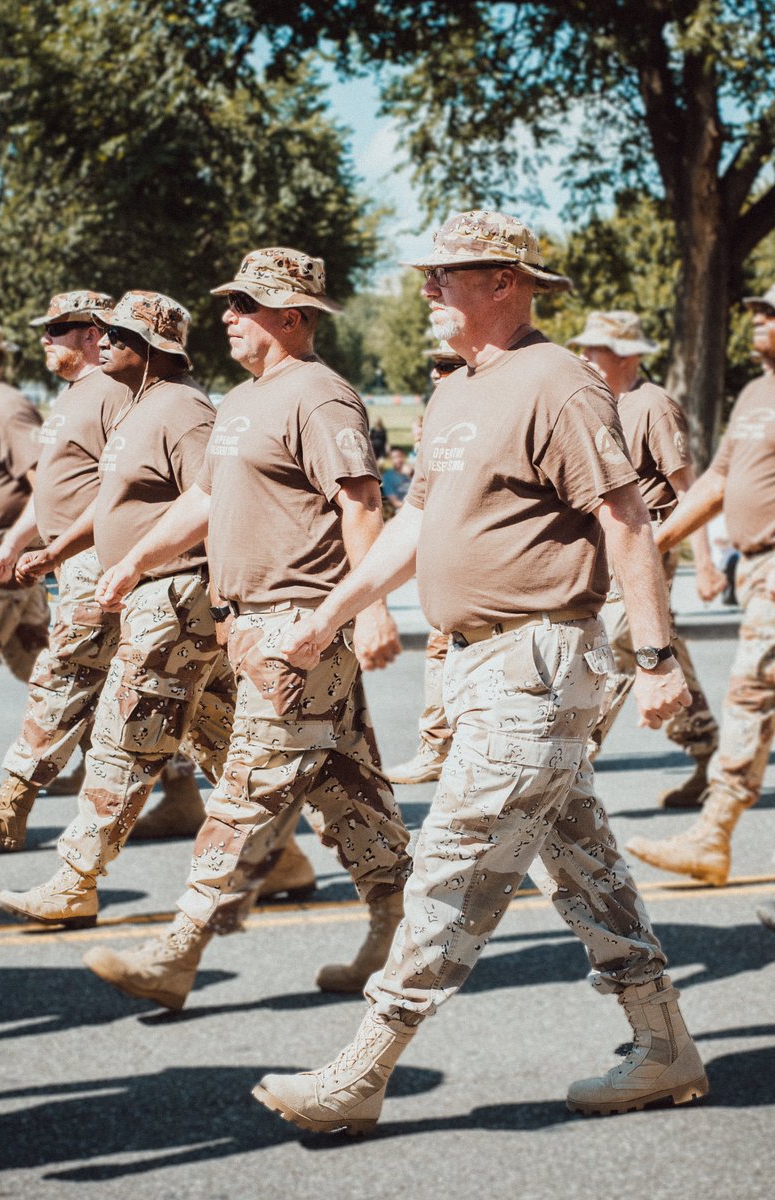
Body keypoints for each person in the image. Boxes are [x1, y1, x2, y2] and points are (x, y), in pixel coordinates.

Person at [251, 210, 707, 1133]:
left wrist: (656, 658)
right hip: (481, 667)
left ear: (506, 282)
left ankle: (361, 1071)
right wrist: (327, 619)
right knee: (586, 870)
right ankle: (665, 1049)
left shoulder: (558, 384)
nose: (427, 289)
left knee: (452, 864)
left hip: (537, 665)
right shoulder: (457, 390)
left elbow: (625, 520)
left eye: (445, 274)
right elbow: (416, 526)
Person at [70, 248, 412, 1012]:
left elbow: (361, 505)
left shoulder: (321, 398)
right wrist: (131, 563)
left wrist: (374, 605)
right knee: (351, 791)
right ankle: (399, 929)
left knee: (246, 791)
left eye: (244, 305)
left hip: (299, 629)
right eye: (228, 304)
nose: (227, 316)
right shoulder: (243, 398)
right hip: (250, 625)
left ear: (292, 315)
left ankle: (178, 950)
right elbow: (200, 501)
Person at [0, 292, 242, 926]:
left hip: (175, 591)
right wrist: (53, 552)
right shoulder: (138, 407)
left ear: (153, 348)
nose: (102, 343)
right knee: (217, 734)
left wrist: (141, 567)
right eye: (100, 333)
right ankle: (276, 853)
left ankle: (74, 877)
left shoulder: (183, 410)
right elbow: (112, 501)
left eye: (117, 336)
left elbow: (209, 504)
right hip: (142, 590)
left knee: (122, 735)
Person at [624, 283, 775, 935]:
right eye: (756, 309)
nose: (757, 319)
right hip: (760, 569)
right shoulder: (754, 395)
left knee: (750, 693)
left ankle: (713, 836)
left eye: (771, 312)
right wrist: (652, 543)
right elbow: (715, 482)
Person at [569, 311, 720, 807]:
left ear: (629, 355)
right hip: (606, 543)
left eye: (598, 349)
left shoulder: (654, 405)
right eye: (585, 348)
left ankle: (575, 754)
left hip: (652, 540)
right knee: (658, 642)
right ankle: (708, 750)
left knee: (615, 637)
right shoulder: (597, 402)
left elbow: (687, 489)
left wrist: (707, 563)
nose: (586, 356)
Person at [386, 342, 466, 787]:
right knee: (443, 648)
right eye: (435, 365)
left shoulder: (478, 408)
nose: (437, 375)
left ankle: (440, 749)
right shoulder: (442, 413)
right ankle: (439, 748)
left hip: (475, 557)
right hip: (444, 552)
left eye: (448, 366)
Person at [0, 318, 48, 705]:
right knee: (49, 673)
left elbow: (49, 488)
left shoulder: (5, 408)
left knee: (57, 676)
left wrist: (16, 546)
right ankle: (158, 762)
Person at [380, 447, 414, 512]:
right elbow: (396, 502)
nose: (397, 460)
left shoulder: (412, 472)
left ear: (404, 457)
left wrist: (411, 475)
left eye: (399, 456)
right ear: (391, 460)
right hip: (401, 509)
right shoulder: (388, 476)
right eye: (394, 458)